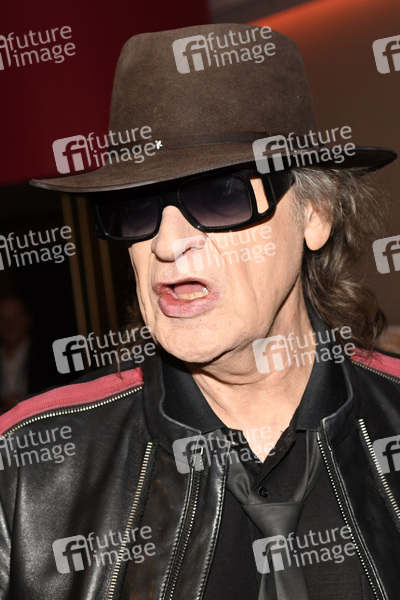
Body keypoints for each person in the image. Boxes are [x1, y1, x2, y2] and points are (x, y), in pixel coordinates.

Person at [0, 23, 399, 600]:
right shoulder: (27, 472)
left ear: (314, 214)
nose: (167, 244)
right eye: (138, 207)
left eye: (220, 195)